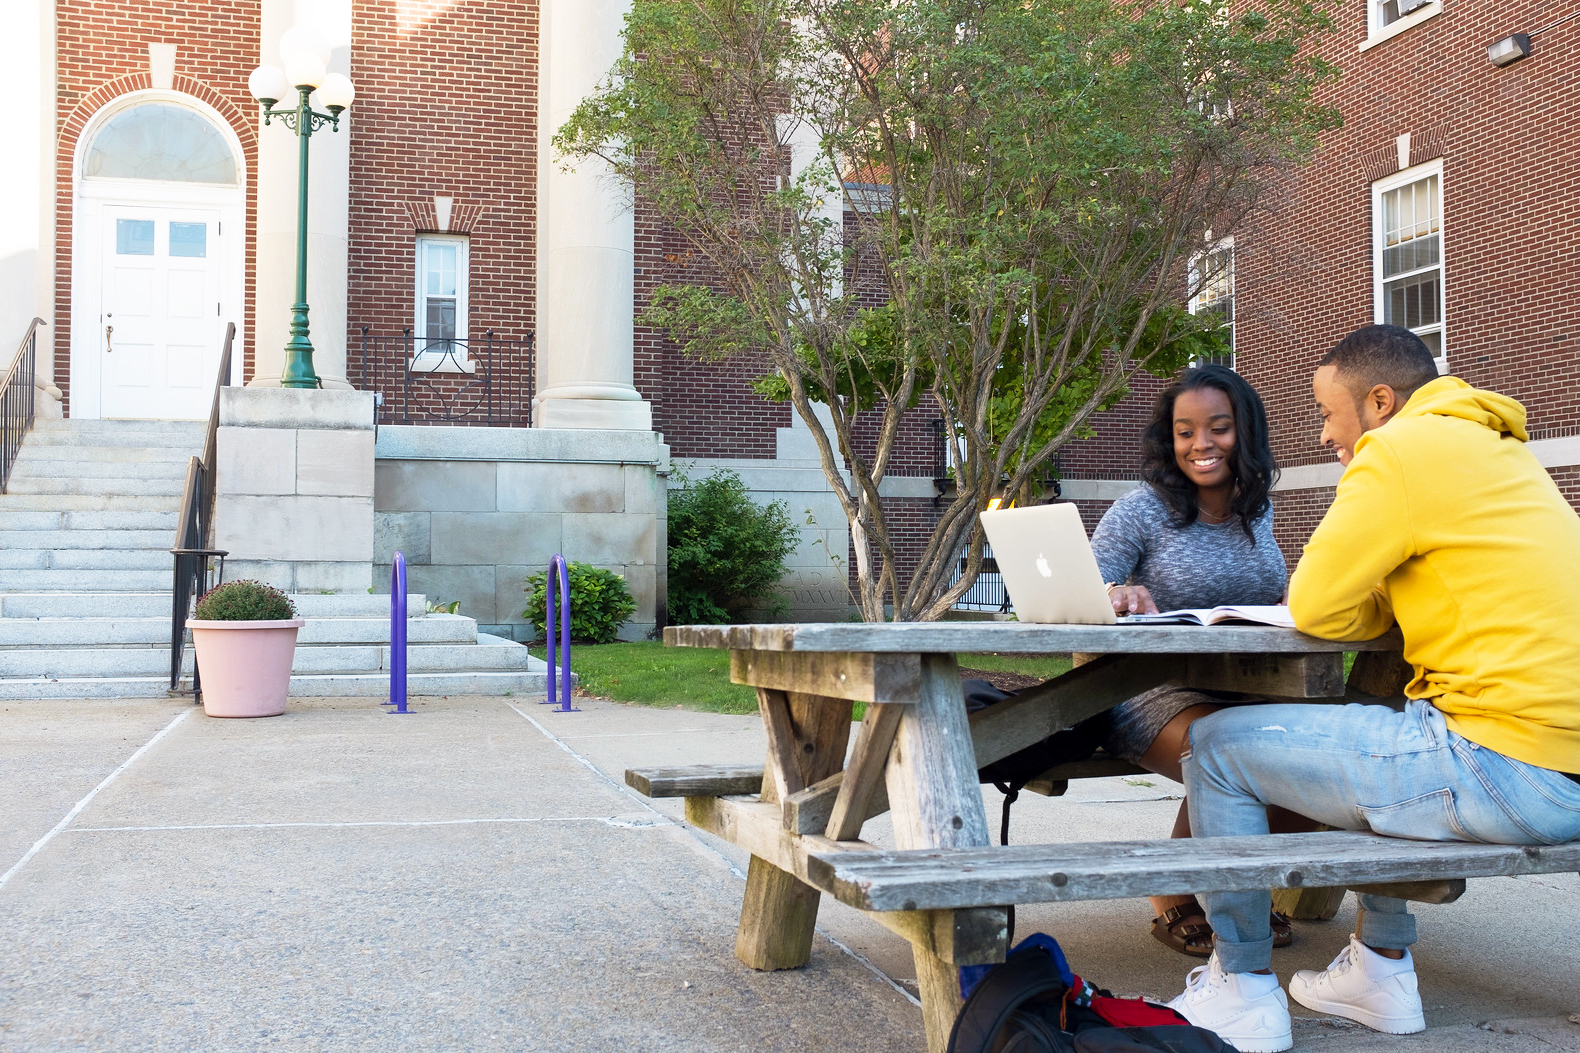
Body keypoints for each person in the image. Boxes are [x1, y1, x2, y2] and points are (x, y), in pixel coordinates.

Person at [1166, 324, 1580, 1053]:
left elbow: (1320, 602)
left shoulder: (1398, 450)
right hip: (1560, 761)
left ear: (1379, 402)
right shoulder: (1502, 451)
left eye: (1329, 414)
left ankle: (1242, 986)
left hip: (1507, 765)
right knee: (1388, 718)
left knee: (1214, 744)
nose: (1326, 435)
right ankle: (1381, 968)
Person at [1088, 363, 1298, 956]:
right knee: (1227, 749)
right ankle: (1173, 888)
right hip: (1145, 689)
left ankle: (1233, 886)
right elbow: (1079, 591)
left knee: (1315, 758)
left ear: (1245, 433)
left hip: (1248, 687)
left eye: (1218, 428)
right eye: (1185, 431)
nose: (1201, 444)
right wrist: (1114, 594)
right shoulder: (1141, 510)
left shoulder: (1256, 510)